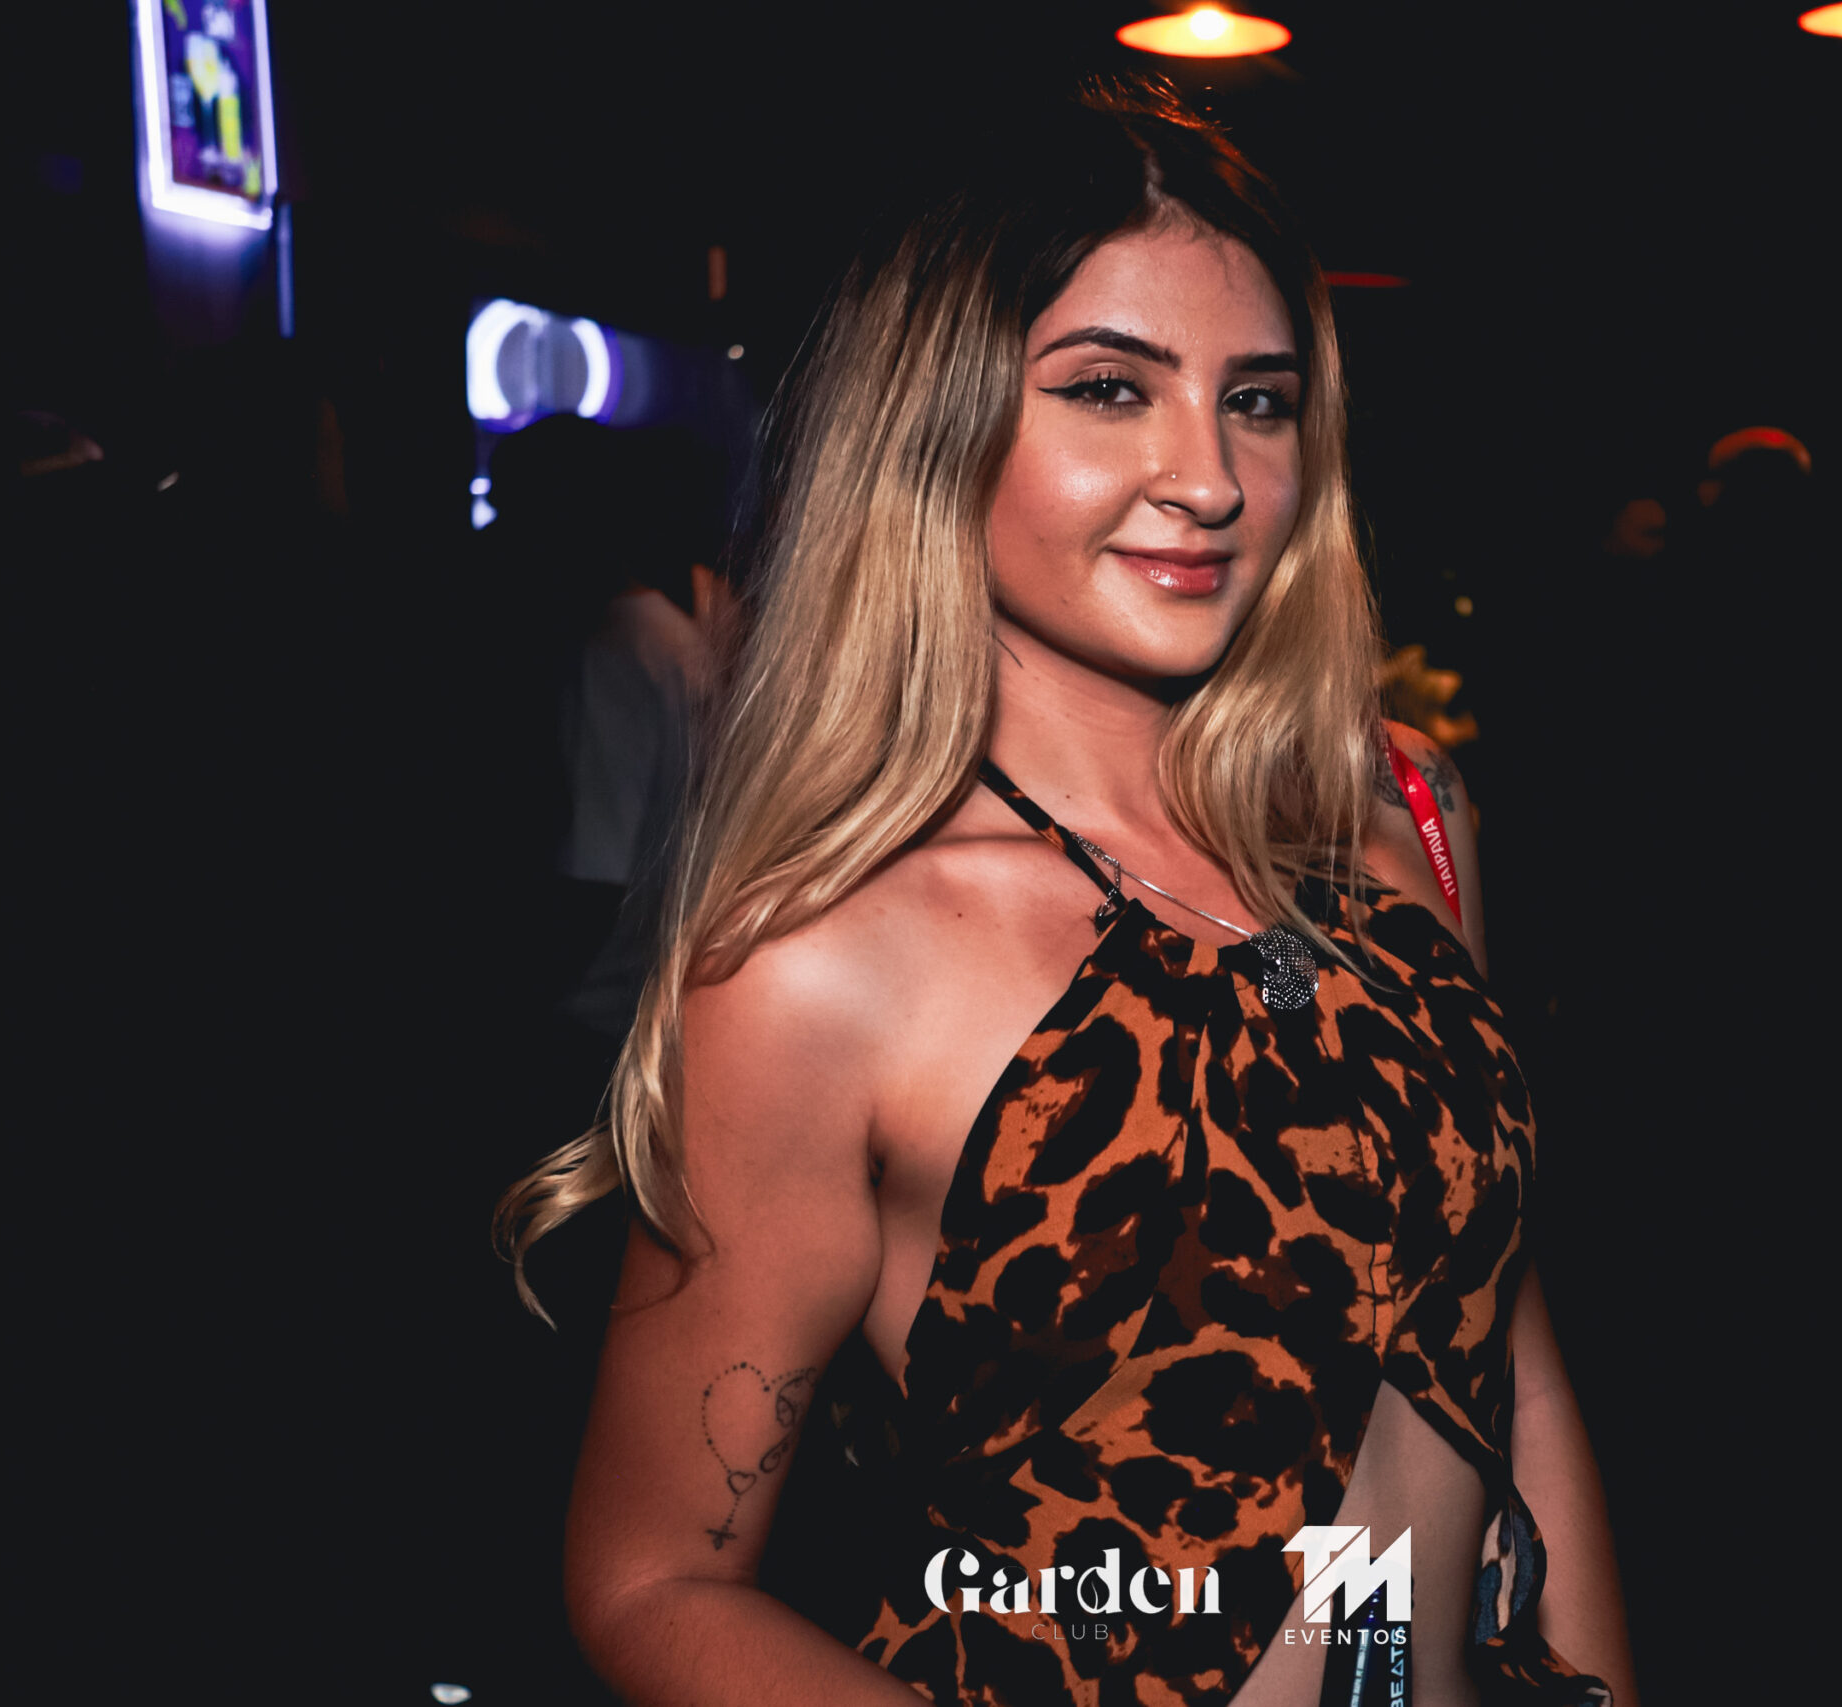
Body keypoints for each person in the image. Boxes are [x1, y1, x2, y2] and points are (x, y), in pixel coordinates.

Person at [499, 79, 1634, 1707]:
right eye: (1110, 389)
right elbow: (650, 1580)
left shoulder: (1401, 819)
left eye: (1259, 401)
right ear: (937, 428)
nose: (1210, 476)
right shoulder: (827, 965)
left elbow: (1507, 1363)